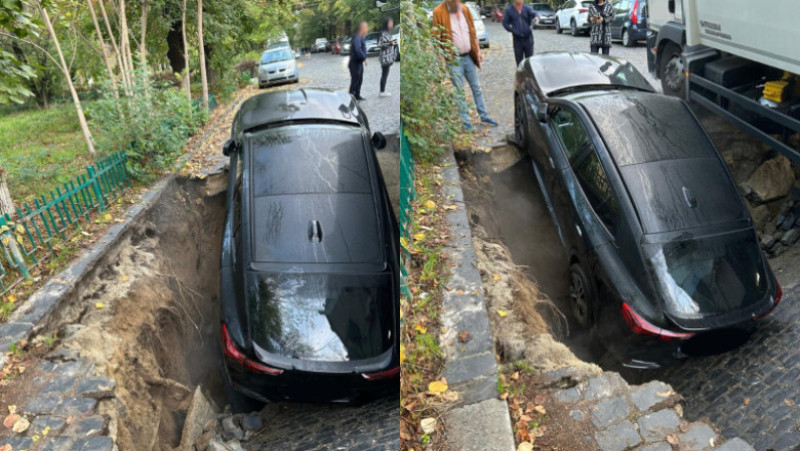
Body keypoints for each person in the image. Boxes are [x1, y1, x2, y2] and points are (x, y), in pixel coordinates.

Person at [432, 0, 498, 130]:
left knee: (476, 88)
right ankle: (466, 123)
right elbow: (436, 38)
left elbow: (472, 32)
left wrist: (478, 51)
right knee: (459, 91)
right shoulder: (438, 12)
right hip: (453, 59)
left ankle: (484, 116)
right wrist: (441, 61)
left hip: (468, 56)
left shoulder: (465, 9)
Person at [503, 0, 539, 65]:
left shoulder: (527, 8)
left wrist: (536, 18)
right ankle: (521, 74)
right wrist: (512, 30)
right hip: (517, 40)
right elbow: (505, 23)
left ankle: (529, 74)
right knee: (519, 61)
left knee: (529, 60)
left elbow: (534, 14)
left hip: (528, 38)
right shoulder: (509, 10)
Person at [349, 22, 369, 101]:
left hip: (359, 63)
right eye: (366, 28)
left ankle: (357, 95)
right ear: (362, 28)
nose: (367, 29)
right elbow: (358, 50)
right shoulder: (357, 38)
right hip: (354, 63)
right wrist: (364, 58)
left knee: (360, 79)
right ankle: (351, 97)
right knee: (355, 80)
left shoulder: (361, 38)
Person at [378, 17, 397, 98]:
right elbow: (380, 44)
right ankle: (382, 91)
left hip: (388, 57)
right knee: (384, 74)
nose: (392, 24)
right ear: (386, 24)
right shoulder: (383, 33)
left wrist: (393, 43)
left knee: (385, 74)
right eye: (390, 23)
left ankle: (382, 91)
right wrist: (390, 43)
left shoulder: (387, 32)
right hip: (385, 58)